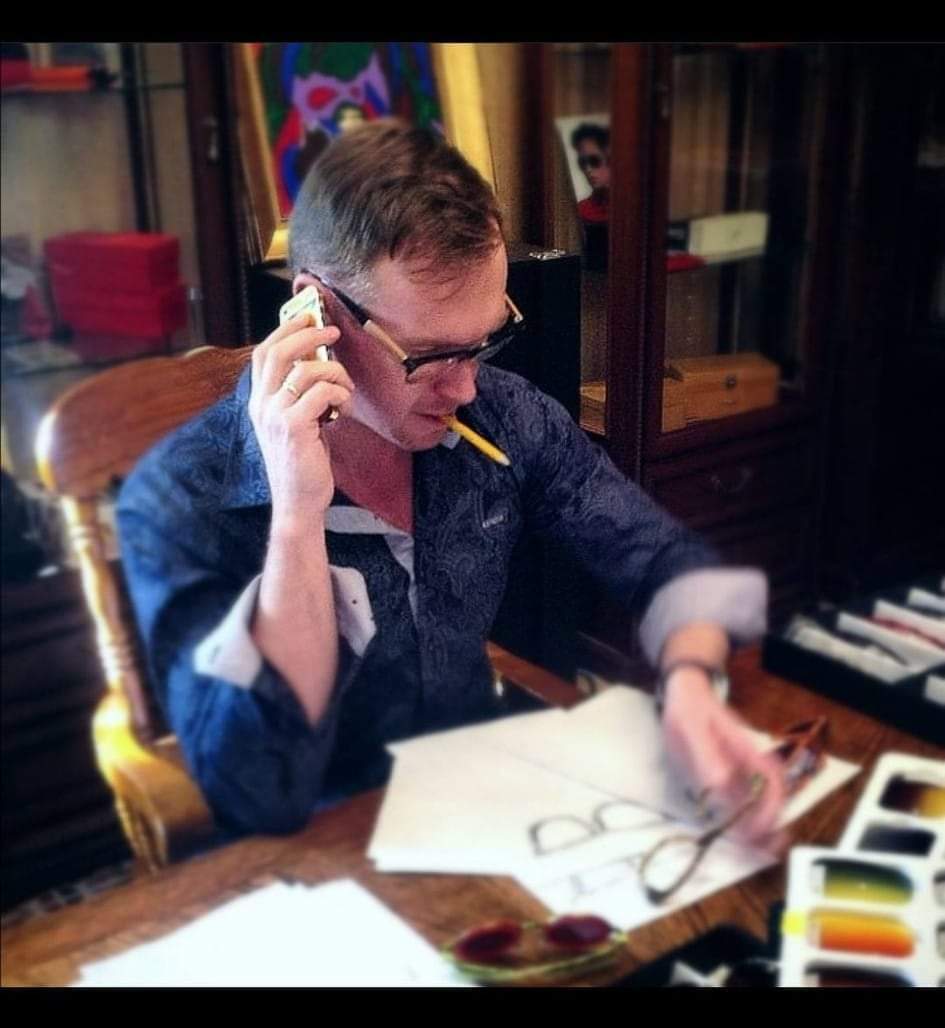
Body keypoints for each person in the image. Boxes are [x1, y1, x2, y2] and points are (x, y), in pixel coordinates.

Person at [117, 120, 786, 844]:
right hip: (316, 851)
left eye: (485, 341)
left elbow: (666, 559)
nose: (465, 388)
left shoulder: (503, 417)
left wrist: (691, 684)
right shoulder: (176, 496)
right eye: (429, 356)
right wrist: (298, 516)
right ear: (316, 313)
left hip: (481, 805)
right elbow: (259, 793)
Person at [570, 122, 610, 225]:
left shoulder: (631, 207)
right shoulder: (580, 210)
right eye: (582, 163)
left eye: (594, 161)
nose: (588, 169)